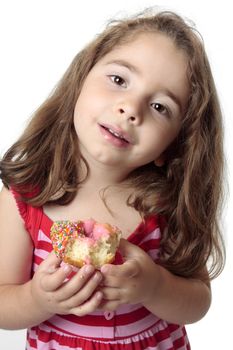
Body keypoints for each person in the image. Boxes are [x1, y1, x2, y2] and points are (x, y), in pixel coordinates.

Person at [0, 8, 225, 350]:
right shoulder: (26, 199)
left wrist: (155, 287)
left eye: (161, 107)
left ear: (174, 144)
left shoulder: (164, 204)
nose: (131, 108)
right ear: (80, 82)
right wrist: (37, 298)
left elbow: (198, 301)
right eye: (119, 80)